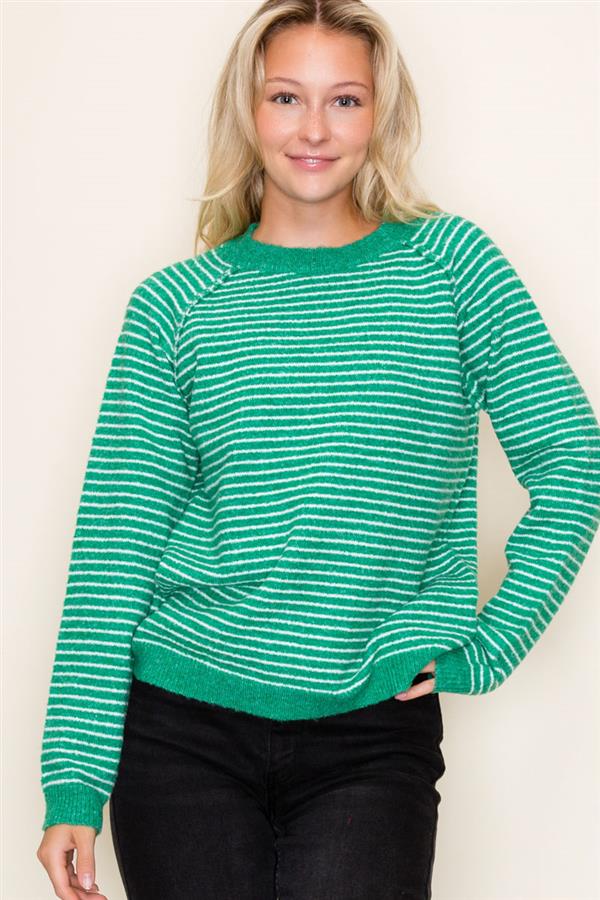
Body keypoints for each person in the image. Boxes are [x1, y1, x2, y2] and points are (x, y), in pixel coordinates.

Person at [36, 1, 600, 898]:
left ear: (380, 115)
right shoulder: (174, 306)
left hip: (371, 732)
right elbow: (116, 547)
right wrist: (73, 779)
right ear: (248, 111)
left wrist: (493, 643)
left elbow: (573, 460)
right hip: (180, 727)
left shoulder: (453, 267)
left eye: (345, 100)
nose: (313, 129)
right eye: (285, 97)